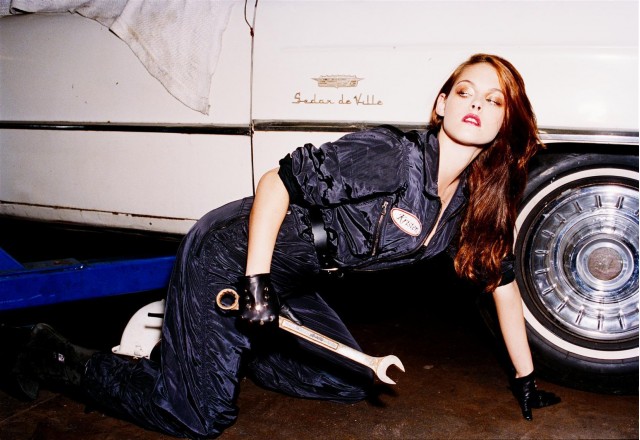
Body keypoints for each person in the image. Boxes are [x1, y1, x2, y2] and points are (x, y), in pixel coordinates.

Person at [3, 53, 560, 438]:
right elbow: (275, 182)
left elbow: (503, 287)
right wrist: (255, 284)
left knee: (349, 382)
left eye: (495, 100)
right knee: (197, 416)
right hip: (232, 256)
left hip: (291, 279)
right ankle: (50, 353)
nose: (476, 104)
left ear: (506, 120)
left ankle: (209, 352)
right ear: (441, 104)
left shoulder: (471, 206)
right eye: (465, 91)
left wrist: (525, 379)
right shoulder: (392, 156)